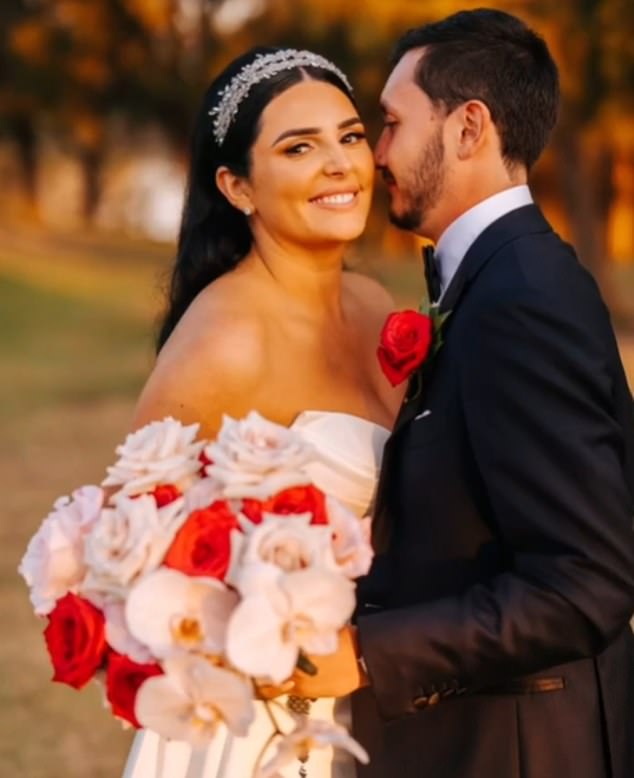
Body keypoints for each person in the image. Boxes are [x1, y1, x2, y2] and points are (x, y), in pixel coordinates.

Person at [291, 9, 634, 778]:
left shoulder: (521, 298)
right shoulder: (500, 279)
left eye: (389, 124)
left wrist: (364, 655)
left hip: (517, 749)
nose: (375, 154)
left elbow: (587, 584)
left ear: (468, 128)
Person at [121, 47, 402, 778]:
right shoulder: (225, 337)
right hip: (263, 733)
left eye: (350, 136)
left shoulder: (376, 307)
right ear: (237, 186)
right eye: (299, 147)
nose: (339, 164)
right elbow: (129, 553)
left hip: (380, 701)